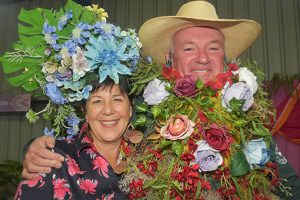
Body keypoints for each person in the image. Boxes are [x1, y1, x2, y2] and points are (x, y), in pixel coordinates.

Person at [21, 1, 300, 199]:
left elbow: (289, 186)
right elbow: (94, 139)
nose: (202, 58)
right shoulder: (143, 108)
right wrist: (34, 148)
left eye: (213, 48)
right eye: (189, 48)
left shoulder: (249, 119)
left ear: (225, 59)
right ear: (170, 58)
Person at [15, 77, 133, 199]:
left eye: (117, 100)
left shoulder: (148, 155)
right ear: (85, 111)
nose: (108, 110)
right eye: (97, 101)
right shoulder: (53, 158)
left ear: (130, 108)